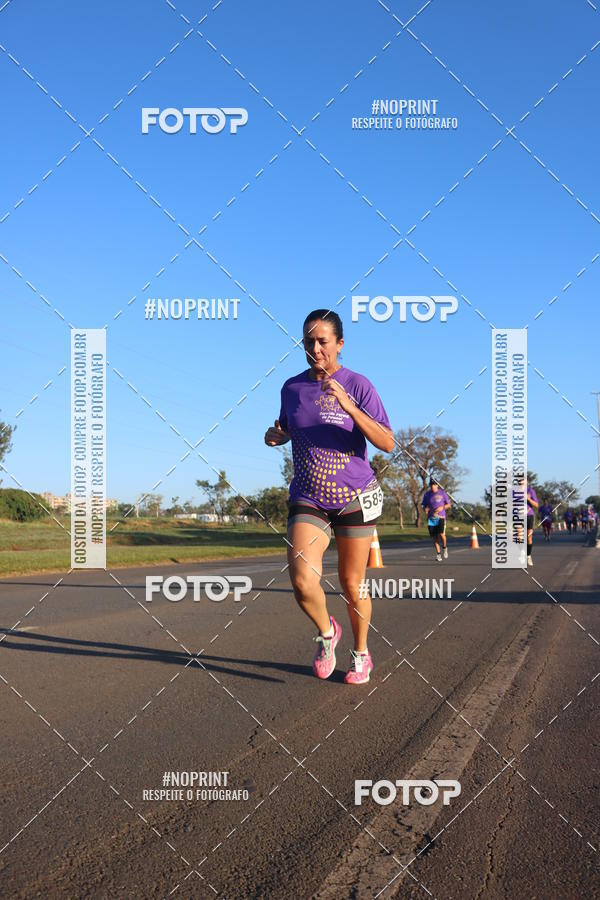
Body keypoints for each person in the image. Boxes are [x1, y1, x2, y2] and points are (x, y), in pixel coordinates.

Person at [264, 310, 394, 685]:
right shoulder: (291, 388)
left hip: (353, 495)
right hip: (308, 496)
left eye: (323, 341)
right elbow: (287, 428)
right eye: (309, 341)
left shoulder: (358, 383)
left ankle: (362, 654)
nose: (316, 348)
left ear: (340, 343)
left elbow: (387, 442)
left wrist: (349, 405)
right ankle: (327, 633)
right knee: (303, 581)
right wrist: (277, 436)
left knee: (353, 583)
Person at [421, 479, 451, 561]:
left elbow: (449, 505)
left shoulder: (442, 493)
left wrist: (442, 507)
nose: (432, 486)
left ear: (437, 485)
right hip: (431, 518)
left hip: (441, 517)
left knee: (442, 535)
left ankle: (444, 548)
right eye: (431, 485)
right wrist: (425, 509)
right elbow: (424, 506)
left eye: (434, 484)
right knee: (435, 537)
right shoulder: (427, 495)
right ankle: (438, 554)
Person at [526, 484, 539, 566]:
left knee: (529, 537)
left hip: (529, 516)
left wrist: (528, 499)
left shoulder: (530, 490)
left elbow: (536, 505)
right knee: (519, 536)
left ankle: (528, 556)